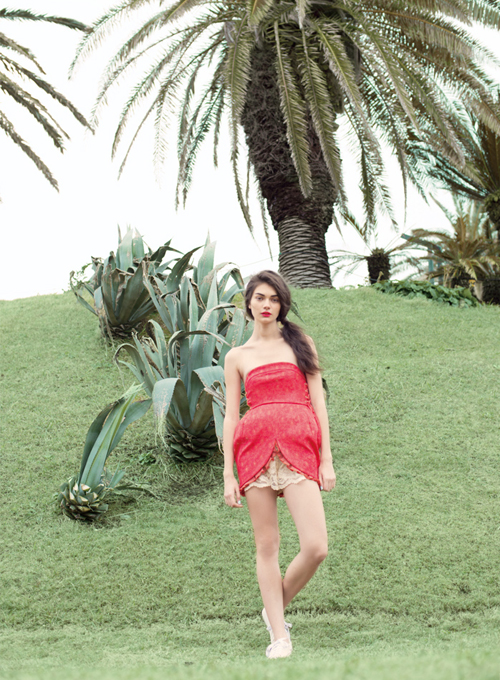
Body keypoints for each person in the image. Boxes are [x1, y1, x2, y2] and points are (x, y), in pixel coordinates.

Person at [223, 270, 336, 659]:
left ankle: (275, 610)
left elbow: (318, 402)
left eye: (274, 298)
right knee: (267, 545)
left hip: (299, 450)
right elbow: (231, 416)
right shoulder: (237, 357)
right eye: (260, 298)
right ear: (248, 303)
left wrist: (326, 459)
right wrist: (227, 474)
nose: (266, 304)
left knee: (316, 546)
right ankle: (279, 636)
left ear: (282, 304)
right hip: (253, 452)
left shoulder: (300, 343)